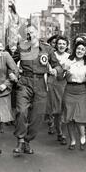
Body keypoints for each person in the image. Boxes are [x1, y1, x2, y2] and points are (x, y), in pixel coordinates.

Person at [13, 26, 63, 155]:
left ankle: (28, 140)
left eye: (32, 32)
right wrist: (13, 73)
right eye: (28, 33)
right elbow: (12, 62)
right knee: (21, 111)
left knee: (38, 116)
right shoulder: (21, 47)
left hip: (41, 83)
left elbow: (58, 65)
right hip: (24, 82)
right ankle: (20, 140)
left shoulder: (47, 49)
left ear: (38, 33)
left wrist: (55, 70)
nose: (30, 35)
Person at [62, 41, 86, 150]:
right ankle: (73, 140)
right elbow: (60, 77)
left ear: (85, 52)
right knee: (69, 117)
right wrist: (64, 71)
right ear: (75, 50)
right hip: (69, 89)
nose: (80, 51)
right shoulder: (68, 61)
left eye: (82, 49)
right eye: (78, 49)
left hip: (82, 90)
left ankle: (83, 137)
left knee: (80, 116)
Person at [48, 36, 70, 145]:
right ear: (56, 45)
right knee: (57, 111)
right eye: (59, 44)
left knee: (66, 109)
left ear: (67, 46)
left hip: (67, 84)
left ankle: (64, 132)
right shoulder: (51, 55)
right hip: (54, 84)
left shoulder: (70, 57)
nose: (61, 46)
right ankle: (59, 132)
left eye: (63, 44)